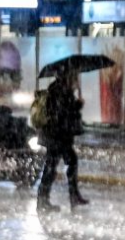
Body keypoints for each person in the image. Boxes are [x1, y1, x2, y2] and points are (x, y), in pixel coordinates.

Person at [37, 70, 88, 213]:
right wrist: (77, 105)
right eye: (75, 77)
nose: (77, 79)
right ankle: (44, 200)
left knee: (63, 163)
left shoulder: (61, 90)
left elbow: (64, 112)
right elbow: (62, 114)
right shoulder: (60, 91)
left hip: (58, 135)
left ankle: (71, 196)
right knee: (53, 166)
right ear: (68, 77)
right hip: (57, 136)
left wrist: (75, 104)